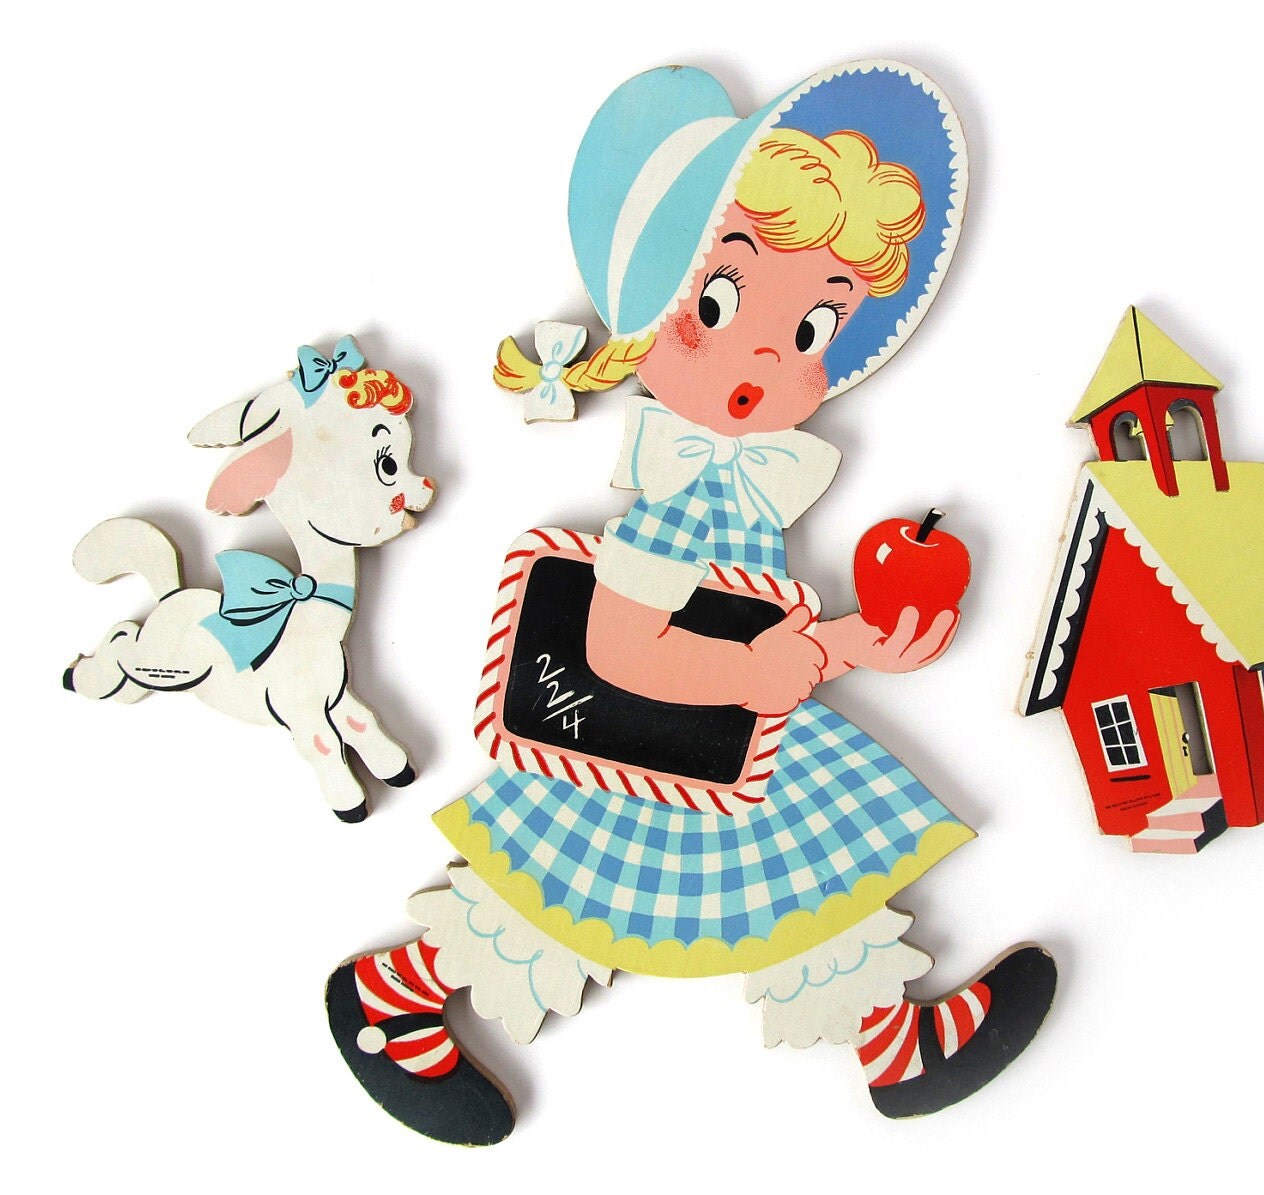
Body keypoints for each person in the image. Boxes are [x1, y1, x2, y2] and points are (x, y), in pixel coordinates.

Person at [326, 61, 1056, 1147]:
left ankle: (892, 1041)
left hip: (722, 731)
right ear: (650, 319)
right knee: (587, 894)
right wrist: (763, 671)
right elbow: (623, 648)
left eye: (812, 327)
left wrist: (851, 642)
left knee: (795, 875)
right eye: (719, 303)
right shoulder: (678, 499)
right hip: (659, 735)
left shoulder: (740, 487)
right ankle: (395, 993)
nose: (763, 350)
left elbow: (749, 620)